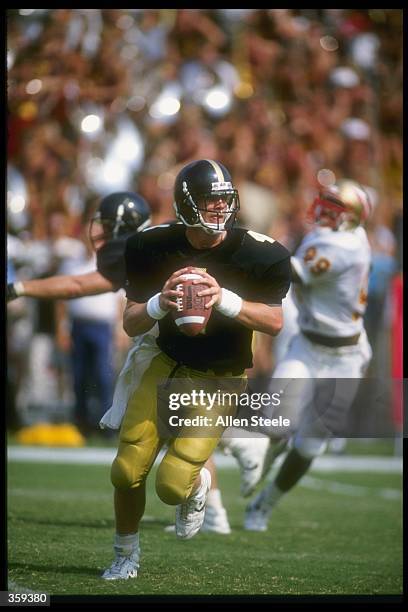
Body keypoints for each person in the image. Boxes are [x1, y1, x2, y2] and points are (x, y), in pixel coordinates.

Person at [101, 158, 291, 580]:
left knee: (172, 486)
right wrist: (158, 303)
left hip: (220, 377)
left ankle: (201, 485)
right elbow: (131, 323)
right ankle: (124, 554)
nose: (220, 211)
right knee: (127, 468)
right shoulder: (152, 245)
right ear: (186, 204)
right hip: (165, 362)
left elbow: (274, 323)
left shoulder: (260, 253)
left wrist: (224, 298)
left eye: (224, 201)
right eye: (209, 202)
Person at [7, 190, 234, 533]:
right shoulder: (167, 239)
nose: (102, 231)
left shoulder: (138, 247)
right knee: (183, 432)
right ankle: (215, 509)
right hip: (194, 349)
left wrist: (20, 288)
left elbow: (76, 285)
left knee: (153, 438)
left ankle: (221, 483)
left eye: (109, 224)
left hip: (166, 349)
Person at [240, 178, 373, 531]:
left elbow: (293, 272)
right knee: (276, 423)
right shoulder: (340, 236)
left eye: (333, 209)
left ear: (351, 218)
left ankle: (263, 505)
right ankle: (262, 463)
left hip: (344, 359)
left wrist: (251, 243)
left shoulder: (343, 246)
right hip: (309, 345)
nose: (323, 212)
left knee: (311, 446)